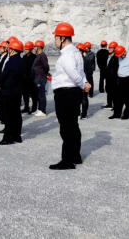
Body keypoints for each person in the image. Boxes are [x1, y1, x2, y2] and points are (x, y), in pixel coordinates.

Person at [49, 23, 90, 170]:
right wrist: (84, 82)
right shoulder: (76, 52)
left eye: (56, 37)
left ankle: (67, 160)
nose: (54, 40)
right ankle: (75, 156)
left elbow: (73, 73)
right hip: (73, 92)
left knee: (66, 128)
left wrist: (83, 84)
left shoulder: (67, 54)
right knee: (73, 126)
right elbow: (81, 72)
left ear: (63, 38)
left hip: (66, 93)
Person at [0, 40, 25, 145]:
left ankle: (7, 138)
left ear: (12, 50)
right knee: (17, 114)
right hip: (18, 90)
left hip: (9, 91)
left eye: (9, 49)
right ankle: (17, 136)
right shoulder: (22, 61)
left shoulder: (10, 62)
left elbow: (4, 74)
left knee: (8, 115)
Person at [111, 46, 129, 119]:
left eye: (121, 55)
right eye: (119, 56)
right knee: (118, 97)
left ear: (124, 52)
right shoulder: (119, 57)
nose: (121, 56)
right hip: (120, 79)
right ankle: (117, 114)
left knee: (128, 97)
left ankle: (126, 115)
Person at [31, 40, 49, 117]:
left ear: (39, 47)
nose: (34, 48)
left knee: (41, 94)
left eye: (35, 47)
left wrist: (43, 73)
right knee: (38, 94)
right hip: (36, 77)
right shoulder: (38, 55)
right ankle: (39, 109)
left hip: (40, 77)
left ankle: (43, 111)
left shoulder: (42, 56)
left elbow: (46, 67)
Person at [0, 41, 9, 123]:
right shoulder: (2, 57)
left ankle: (3, 116)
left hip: (3, 82)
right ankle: (1, 114)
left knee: (3, 100)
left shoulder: (6, 57)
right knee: (1, 99)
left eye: (1, 48)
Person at [21, 41, 37, 113]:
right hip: (24, 78)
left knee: (33, 93)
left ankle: (34, 107)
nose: (25, 50)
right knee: (25, 93)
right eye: (25, 49)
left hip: (31, 78)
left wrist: (32, 76)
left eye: (27, 49)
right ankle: (26, 107)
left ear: (31, 49)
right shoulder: (24, 57)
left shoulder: (34, 57)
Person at [102, 42, 119, 110]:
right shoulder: (108, 56)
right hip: (108, 77)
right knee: (108, 90)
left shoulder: (117, 57)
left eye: (111, 48)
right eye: (109, 47)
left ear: (115, 49)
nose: (109, 49)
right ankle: (109, 104)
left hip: (114, 77)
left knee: (114, 92)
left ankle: (115, 105)